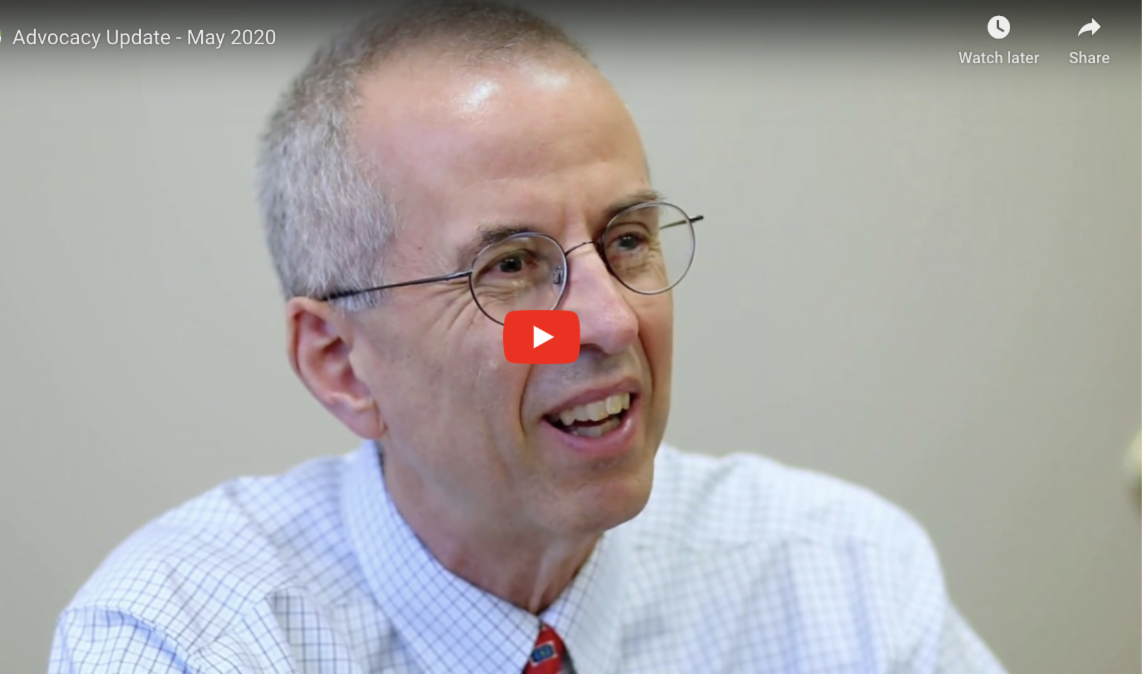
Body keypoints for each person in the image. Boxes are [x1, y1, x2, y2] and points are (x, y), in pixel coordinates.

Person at [49, 2, 1006, 672]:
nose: (611, 320)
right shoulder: (186, 639)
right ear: (342, 364)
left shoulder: (845, 579)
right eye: (511, 266)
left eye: (626, 240)